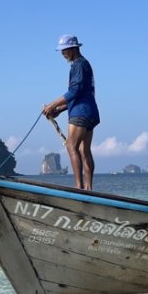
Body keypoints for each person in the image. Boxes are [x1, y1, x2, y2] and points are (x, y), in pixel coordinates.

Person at [42, 35, 100, 190]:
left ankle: (78, 186)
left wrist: (52, 105)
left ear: (74, 48)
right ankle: (88, 188)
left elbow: (75, 91)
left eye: (65, 50)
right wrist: (60, 110)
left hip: (80, 113)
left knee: (71, 146)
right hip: (90, 112)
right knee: (84, 150)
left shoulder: (79, 65)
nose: (63, 54)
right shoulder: (84, 65)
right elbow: (81, 93)